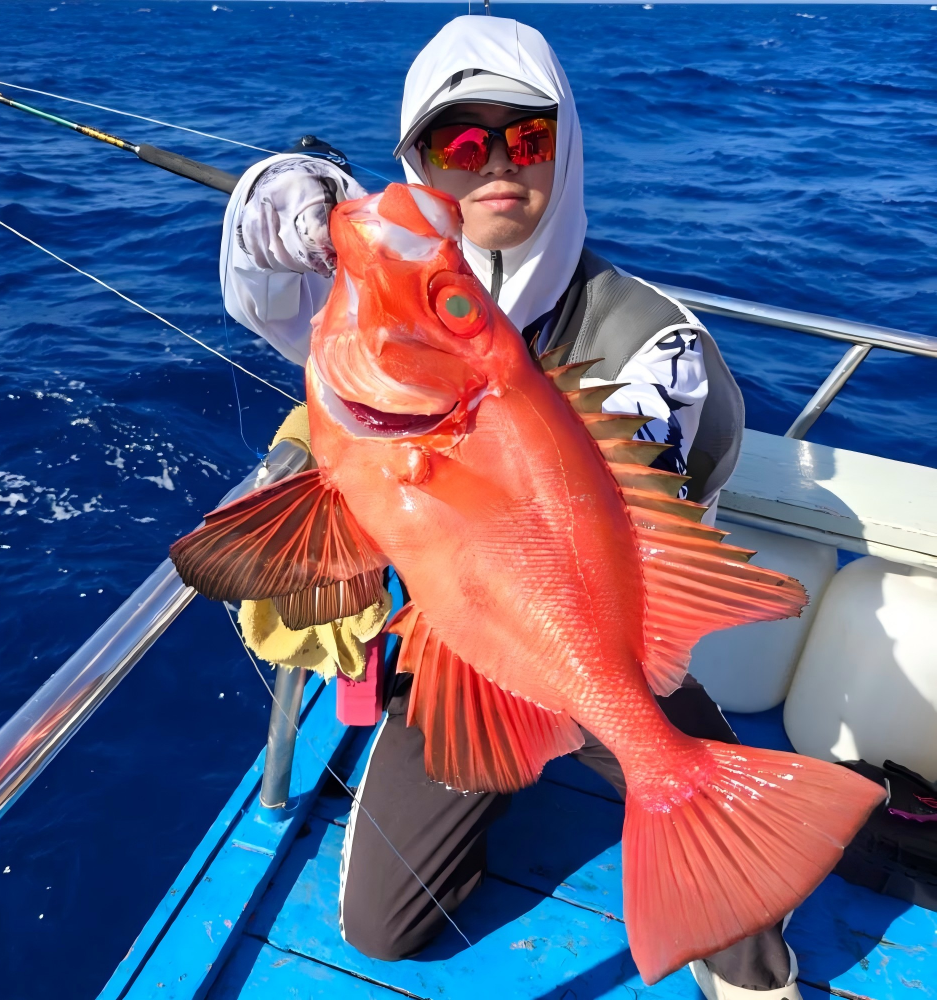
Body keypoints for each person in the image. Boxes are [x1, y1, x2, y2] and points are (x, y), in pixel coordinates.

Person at [220, 16, 799, 1000]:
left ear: (564, 147)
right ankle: (499, 795)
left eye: (526, 137)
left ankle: (746, 927)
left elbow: (638, 554)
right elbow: (275, 302)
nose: (496, 164)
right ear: (419, 160)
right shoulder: (405, 296)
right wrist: (270, 213)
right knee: (380, 928)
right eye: (459, 141)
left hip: (604, 650)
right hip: (465, 639)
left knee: (682, 787)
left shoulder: (652, 340)